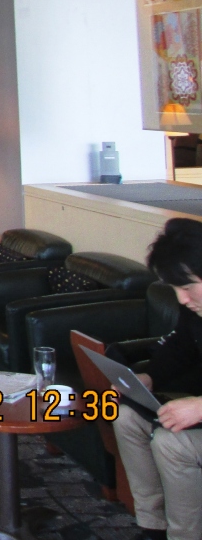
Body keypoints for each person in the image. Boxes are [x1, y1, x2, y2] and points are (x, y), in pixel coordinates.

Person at [112, 216, 202, 540]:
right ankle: (152, 525)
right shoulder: (195, 309)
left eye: (187, 287)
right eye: (175, 289)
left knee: (172, 442)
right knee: (126, 417)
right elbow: (181, 347)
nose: (182, 299)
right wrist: (149, 376)